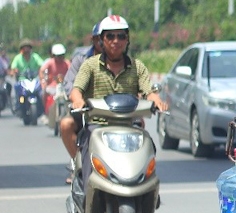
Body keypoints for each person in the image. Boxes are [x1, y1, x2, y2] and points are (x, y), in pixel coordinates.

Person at [69, 15, 166, 181]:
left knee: (148, 148)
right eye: (110, 36)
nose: (116, 41)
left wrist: (156, 100)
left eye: (121, 36)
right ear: (101, 40)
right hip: (98, 126)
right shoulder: (90, 65)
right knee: (87, 149)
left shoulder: (138, 67)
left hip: (130, 125)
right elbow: (76, 90)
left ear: (127, 40)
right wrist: (78, 100)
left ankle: (149, 192)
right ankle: (87, 193)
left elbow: (148, 91)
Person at [59, 24, 101, 182]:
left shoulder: (124, 61)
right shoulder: (81, 60)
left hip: (114, 112)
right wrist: (77, 99)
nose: (113, 42)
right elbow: (70, 83)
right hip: (86, 110)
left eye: (119, 37)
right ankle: (80, 163)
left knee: (139, 124)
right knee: (66, 124)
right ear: (94, 40)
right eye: (106, 37)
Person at [39, 43, 69, 115]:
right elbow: (42, 71)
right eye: (58, 56)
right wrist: (43, 80)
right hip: (52, 86)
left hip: (64, 86)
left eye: (62, 55)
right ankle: (45, 111)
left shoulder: (66, 63)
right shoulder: (50, 62)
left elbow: (72, 70)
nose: (60, 58)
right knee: (43, 93)